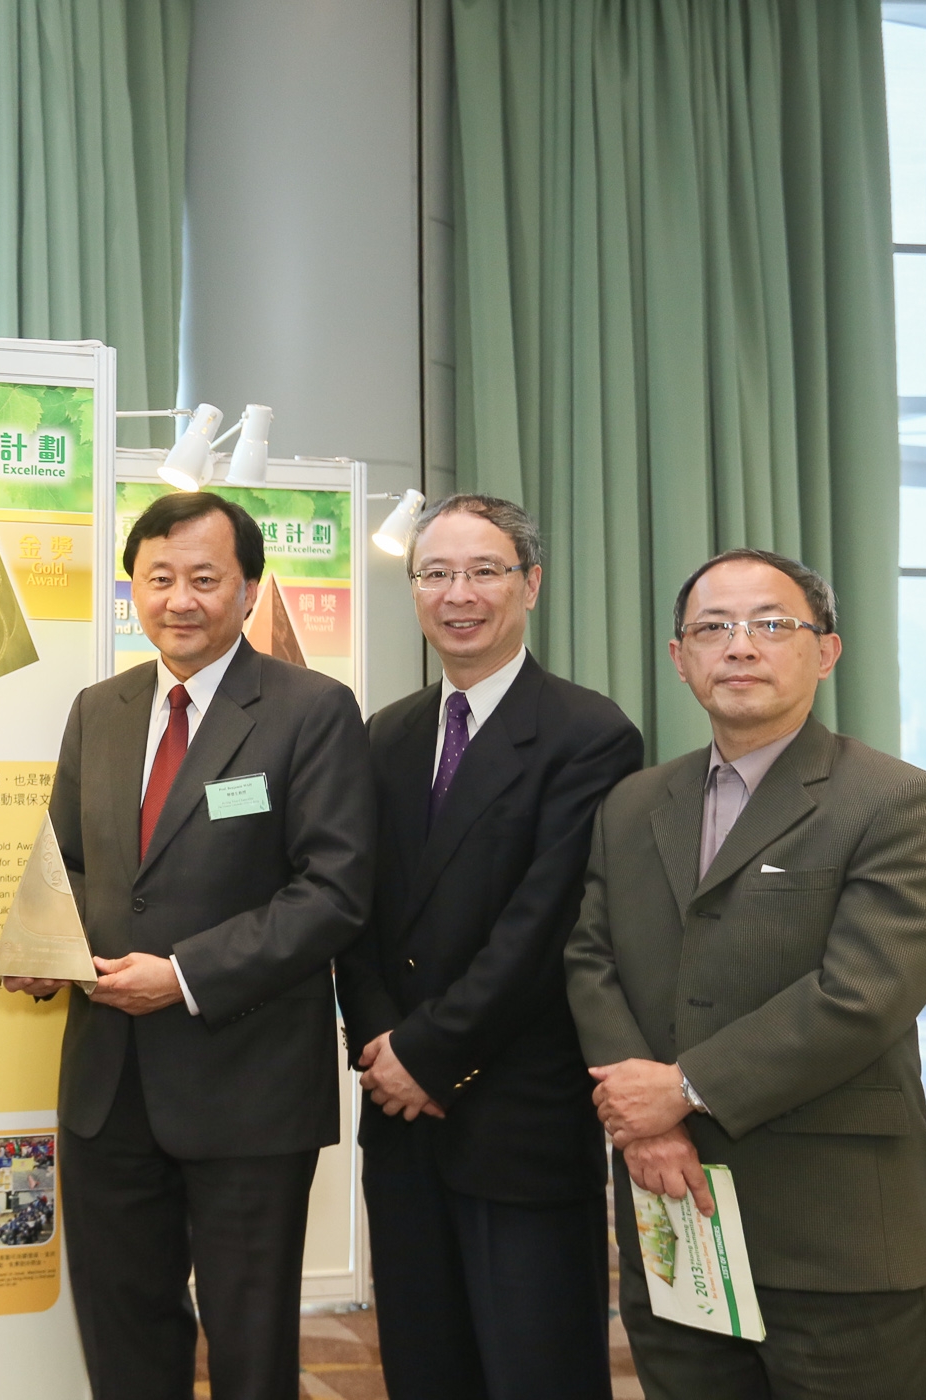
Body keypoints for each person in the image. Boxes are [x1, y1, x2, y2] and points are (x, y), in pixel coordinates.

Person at [567, 548, 926, 1399]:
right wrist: (645, 1120)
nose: (739, 647)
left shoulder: (900, 801)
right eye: (713, 628)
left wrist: (681, 1088)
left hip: (833, 1229)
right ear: (680, 659)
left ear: (825, 651)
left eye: (771, 625)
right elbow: (590, 956)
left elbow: (863, 994)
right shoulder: (635, 804)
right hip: (670, 1207)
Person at [2, 491, 373, 1400]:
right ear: (132, 587)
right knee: (122, 1328)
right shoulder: (102, 708)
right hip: (108, 1085)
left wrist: (186, 975)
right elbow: (70, 865)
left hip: (244, 1080)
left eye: (205, 579)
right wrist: (46, 949)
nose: (180, 599)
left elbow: (333, 891)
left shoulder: (311, 709)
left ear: (247, 591)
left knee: (250, 1347)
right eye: (158, 578)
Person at [336, 495, 642, 1399]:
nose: (457, 594)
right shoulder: (385, 733)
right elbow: (353, 913)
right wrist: (384, 1048)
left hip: (519, 1117)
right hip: (400, 1118)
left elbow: (544, 927)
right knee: (425, 1368)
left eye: (484, 571)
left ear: (530, 584)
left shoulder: (590, 735)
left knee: (536, 1368)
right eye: (435, 573)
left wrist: (428, 1053)